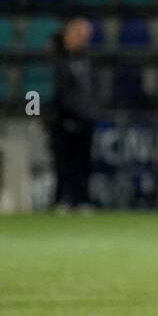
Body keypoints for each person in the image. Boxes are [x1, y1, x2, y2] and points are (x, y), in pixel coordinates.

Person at [50, 17, 98, 210]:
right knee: (64, 161)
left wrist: (92, 112)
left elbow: (93, 90)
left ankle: (82, 197)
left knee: (83, 161)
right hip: (64, 119)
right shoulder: (57, 58)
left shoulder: (88, 61)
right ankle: (63, 198)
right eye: (79, 35)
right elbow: (60, 93)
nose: (83, 40)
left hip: (85, 119)